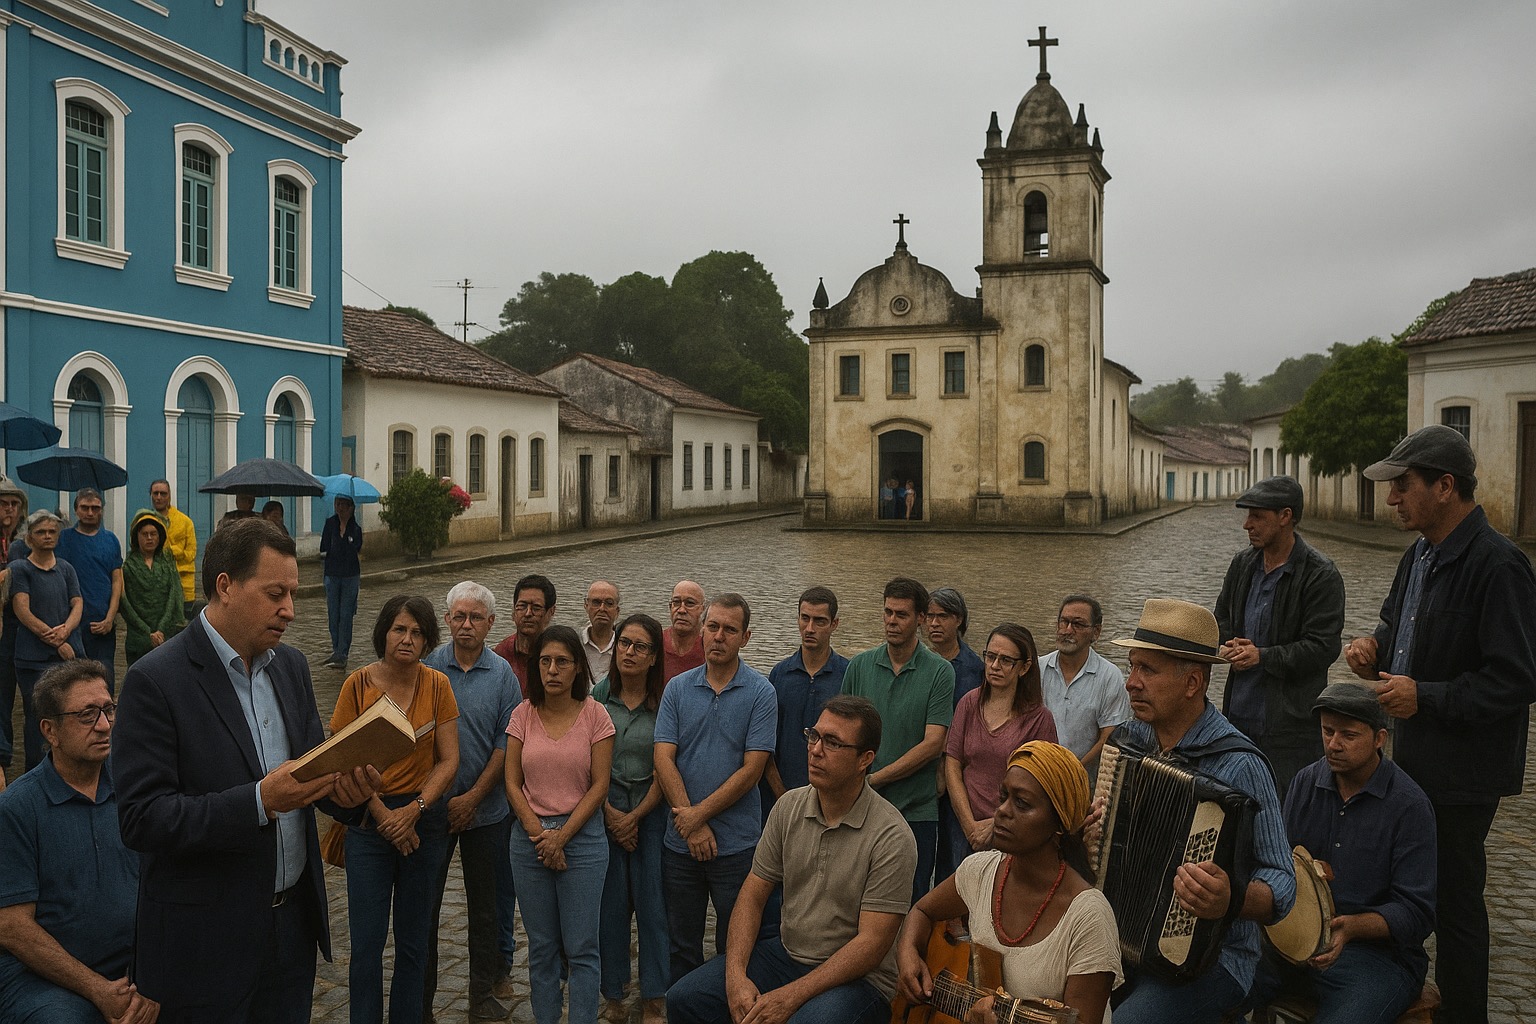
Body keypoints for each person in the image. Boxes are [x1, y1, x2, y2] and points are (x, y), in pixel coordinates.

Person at [112, 517, 381, 1023]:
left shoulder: (293, 667)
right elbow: (142, 819)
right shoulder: (155, 681)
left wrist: (346, 792)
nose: (290, 610)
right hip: (205, 945)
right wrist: (259, 802)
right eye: (275, 593)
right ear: (225, 587)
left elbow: (308, 775)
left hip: (291, 931)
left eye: (293, 593)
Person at [1344, 424, 1536, 1024]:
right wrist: (1372, 648)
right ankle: (1393, 992)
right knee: (1400, 885)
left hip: (1464, 770)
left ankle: (1464, 1014)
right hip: (1414, 755)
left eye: (1403, 485)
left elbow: (1516, 679)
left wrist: (1424, 695)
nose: (1393, 498)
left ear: (1445, 486)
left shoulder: (1500, 566)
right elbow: (1395, 625)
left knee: (1454, 902)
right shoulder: (1419, 554)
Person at [668, 696, 918, 1024]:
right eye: (814, 736)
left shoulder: (892, 837)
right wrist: (735, 977)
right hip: (785, 957)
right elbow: (752, 895)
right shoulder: (788, 807)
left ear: (864, 760)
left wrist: (790, 997)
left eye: (832, 743)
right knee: (685, 999)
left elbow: (872, 945)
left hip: (858, 980)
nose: (815, 750)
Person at [1107, 598, 1295, 1023]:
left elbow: (1282, 878)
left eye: (1147, 670)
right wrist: (1090, 835)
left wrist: (1231, 899)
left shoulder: (1241, 764)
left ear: (1193, 682)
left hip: (1214, 959)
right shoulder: (1129, 743)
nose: (1130, 683)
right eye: (1131, 666)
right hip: (1120, 937)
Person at [1249, 683, 1436, 1024]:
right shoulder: (1306, 781)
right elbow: (1279, 865)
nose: (1334, 744)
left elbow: (1417, 912)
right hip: (1292, 946)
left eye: (1348, 735)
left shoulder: (1410, 806)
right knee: (1213, 986)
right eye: (1327, 731)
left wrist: (1351, 928)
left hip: (1377, 958)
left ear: (1380, 738)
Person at [898, 741, 1121, 1024]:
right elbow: (921, 911)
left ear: (1060, 823)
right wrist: (908, 952)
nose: (1002, 811)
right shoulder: (979, 872)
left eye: (1022, 803)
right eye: (1004, 796)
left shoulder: (1088, 917)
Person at [0, 659, 154, 1024]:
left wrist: (153, 979)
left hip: (134, 964)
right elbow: (13, 928)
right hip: (42, 979)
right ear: (49, 731)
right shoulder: (17, 809)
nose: (103, 726)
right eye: (86, 715)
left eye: (107, 710)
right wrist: (99, 990)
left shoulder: (135, 787)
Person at [332, 595, 460, 1024]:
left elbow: (449, 759)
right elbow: (340, 758)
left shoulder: (438, 685)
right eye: (399, 630)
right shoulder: (357, 685)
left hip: (422, 824)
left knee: (414, 942)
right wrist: (384, 815)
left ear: (427, 640)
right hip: (369, 822)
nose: (407, 639)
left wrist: (416, 809)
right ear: (383, 633)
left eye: (417, 632)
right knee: (366, 945)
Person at [654, 593, 777, 983]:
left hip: (737, 847)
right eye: (712, 627)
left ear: (746, 637)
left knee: (736, 946)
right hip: (680, 847)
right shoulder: (676, 688)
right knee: (681, 944)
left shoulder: (761, 693)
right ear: (702, 630)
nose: (718, 636)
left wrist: (697, 817)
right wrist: (690, 825)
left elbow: (752, 770)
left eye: (729, 629)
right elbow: (663, 758)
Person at [504, 624, 615, 1024]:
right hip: (529, 842)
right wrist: (541, 837)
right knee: (542, 947)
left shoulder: (595, 715)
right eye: (545, 661)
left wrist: (561, 838)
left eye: (562, 662)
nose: (553, 669)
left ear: (577, 668)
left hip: (582, 841)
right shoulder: (523, 713)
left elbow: (600, 786)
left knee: (583, 947)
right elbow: (512, 783)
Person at [422, 582, 520, 1023]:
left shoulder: (503, 675)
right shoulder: (427, 669)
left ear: (490, 624)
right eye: (458, 616)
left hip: (488, 812)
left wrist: (474, 797)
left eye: (475, 618)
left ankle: (482, 995)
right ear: (446, 620)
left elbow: (506, 745)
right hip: (431, 810)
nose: (466, 625)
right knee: (423, 908)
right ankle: (419, 999)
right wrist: (441, 800)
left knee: (486, 910)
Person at [1214, 476, 1346, 795]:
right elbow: (1222, 620)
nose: (1247, 524)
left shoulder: (1320, 575)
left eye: (1257, 516)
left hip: (1291, 730)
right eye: (1247, 515)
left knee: (1287, 818)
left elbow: (1323, 647)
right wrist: (1225, 644)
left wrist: (1262, 656)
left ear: (1285, 517)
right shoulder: (1243, 564)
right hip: (1238, 719)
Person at [840, 577, 955, 903]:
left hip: (916, 813)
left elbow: (933, 743)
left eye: (901, 614)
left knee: (912, 905)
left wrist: (875, 778)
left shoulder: (940, 672)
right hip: (861, 809)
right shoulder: (860, 666)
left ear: (920, 618)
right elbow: (843, 734)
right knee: (855, 901)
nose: (892, 621)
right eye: (888, 612)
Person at [594, 613, 669, 1024]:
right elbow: (588, 765)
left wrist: (636, 816)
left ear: (654, 656)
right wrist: (609, 814)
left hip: (652, 814)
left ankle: (655, 995)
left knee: (654, 906)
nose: (629, 652)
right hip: (604, 813)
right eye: (624, 643)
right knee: (611, 907)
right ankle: (614, 993)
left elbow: (668, 767)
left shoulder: (666, 703)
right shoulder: (596, 697)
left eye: (640, 646)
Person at [944, 623, 1058, 870]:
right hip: (963, 826)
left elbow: (1041, 787)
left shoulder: (1039, 719)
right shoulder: (969, 703)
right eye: (990, 657)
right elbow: (953, 764)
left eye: (1006, 660)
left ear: (1025, 667)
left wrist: (993, 825)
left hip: (1011, 832)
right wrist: (969, 824)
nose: (994, 666)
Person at [9, 510, 86, 772]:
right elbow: (23, 611)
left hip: (64, 658)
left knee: (65, 715)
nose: (47, 536)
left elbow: (77, 603)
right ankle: (35, 772)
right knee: (37, 718)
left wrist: (67, 630)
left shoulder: (66, 569)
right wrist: (56, 641)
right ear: (29, 537)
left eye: (52, 532)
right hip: (33, 659)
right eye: (41, 532)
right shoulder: (21, 568)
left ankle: (62, 770)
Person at [763, 586, 849, 814]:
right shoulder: (779, 675)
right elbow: (766, 744)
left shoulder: (848, 675)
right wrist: (781, 796)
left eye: (819, 621)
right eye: (805, 618)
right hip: (780, 797)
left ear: (834, 624)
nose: (809, 628)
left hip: (833, 799)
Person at [926, 586, 983, 881]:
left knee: (953, 853)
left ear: (959, 620)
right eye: (931, 616)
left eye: (943, 616)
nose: (934, 624)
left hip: (959, 773)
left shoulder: (976, 670)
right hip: (921, 768)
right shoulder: (917, 662)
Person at [1041, 595, 1129, 774]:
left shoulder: (1109, 677)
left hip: (1084, 781)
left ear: (1096, 632)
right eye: (1063, 622)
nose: (1067, 630)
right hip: (1037, 774)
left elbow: (1109, 739)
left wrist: (1073, 773)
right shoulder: (1038, 669)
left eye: (1078, 624)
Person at [55, 489, 124, 693]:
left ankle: (105, 722)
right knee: (72, 681)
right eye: (85, 508)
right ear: (76, 510)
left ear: (102, 510)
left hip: (102, 625)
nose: (90, 512)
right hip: (72, 624)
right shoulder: (63, 539)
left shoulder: (110, 540)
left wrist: (110, 618)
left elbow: (117, 581)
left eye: (95, 508)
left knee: (104, 678)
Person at [119, 508, 184, 667]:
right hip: (139, 638)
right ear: (136, 536)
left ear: (159, 536)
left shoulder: (167, 563)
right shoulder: (128, 566)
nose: (149, 538)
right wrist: (147, 632)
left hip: (166, 636)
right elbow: (124, 601)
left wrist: (161, 630)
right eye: (144, 534)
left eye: (153, 534)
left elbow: (174, 595)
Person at [0, 476, 30, 783]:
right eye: (4, 503)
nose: (9, 509)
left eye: (14, 504)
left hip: (18, 630)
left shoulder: (20, 546)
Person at [319, 495, 363, 670]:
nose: (341, 508)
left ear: (351, 507)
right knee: (333, 614)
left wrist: (346, 539)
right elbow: (324, 547)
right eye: (338, 504)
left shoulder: (355, 528)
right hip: (332, 574)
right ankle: (336, 649)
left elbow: (356, 548)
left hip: (350, 576)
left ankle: (343, 653)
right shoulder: (330, 524)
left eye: (345, 505)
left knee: (346, 615)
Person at [493, 574, 556, 689]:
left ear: (551, 612)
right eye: (522, 606)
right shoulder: (501, 653)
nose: (528, 614)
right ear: (513, 611)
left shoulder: (559, 654)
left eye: (536, 608)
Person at [147, 480, 197, 617]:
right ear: (150, 495)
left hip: (183, 587)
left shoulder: (185, 522)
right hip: (155, 588)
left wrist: (170, 551)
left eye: (163, 493)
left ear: (169, 496)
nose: (158, 497)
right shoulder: (145, 521)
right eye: (155, 493)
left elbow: (191, 554)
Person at [662, 579, 706, 681]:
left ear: (703, 609)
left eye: (690, 603)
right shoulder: (656, 642)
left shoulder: (710, 646)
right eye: (676, 602)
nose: (681, 610)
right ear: (670, 607)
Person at [581, 580, 620, 681]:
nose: (602, 608)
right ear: (586, 606)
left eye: (609, 603)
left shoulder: (624, 647)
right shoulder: (574, 643)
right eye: (596, 602)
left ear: (617, 611)